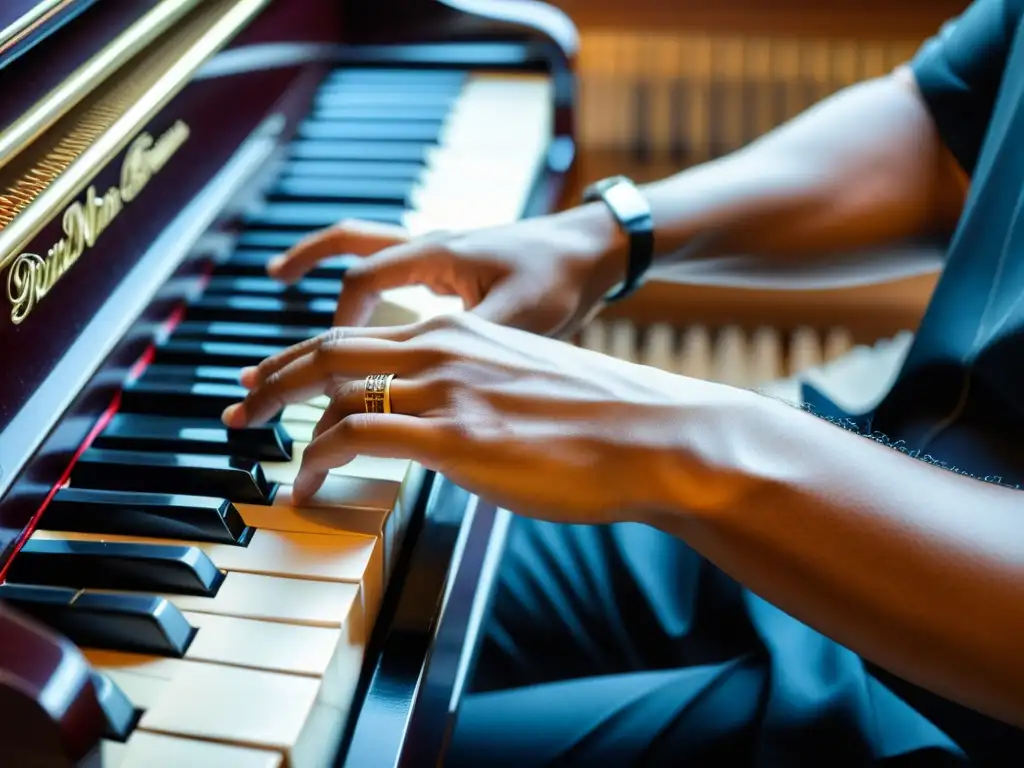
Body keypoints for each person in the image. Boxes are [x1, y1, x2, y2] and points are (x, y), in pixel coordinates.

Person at [223, 0, 1024, 763]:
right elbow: (954, 129)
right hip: (854, 499)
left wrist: (682, 438)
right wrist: (605, 236)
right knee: (312, 594)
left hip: (958, 703)